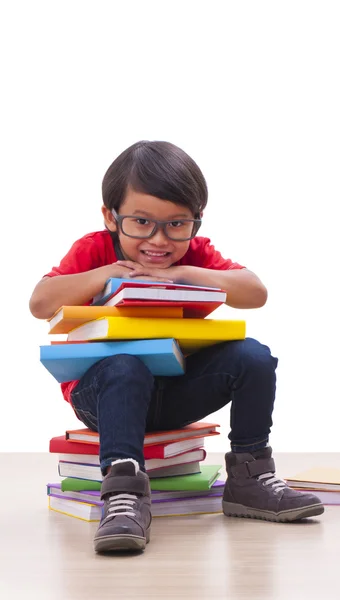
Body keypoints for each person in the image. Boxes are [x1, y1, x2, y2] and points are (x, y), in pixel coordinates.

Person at [29, 140, 323, 554]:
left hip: (173, 393)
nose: (159, 239)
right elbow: (40, 302)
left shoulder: (194, 256)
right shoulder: (94, 249)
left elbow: (255, 293)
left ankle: (249, 479)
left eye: (177, 224)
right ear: (110, 217)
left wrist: (186, 271)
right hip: (104, 398)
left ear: (196, 221)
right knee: (125, 365)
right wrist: (108, 273)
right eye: (141, 222)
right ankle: (123, 494)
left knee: (253, 355)